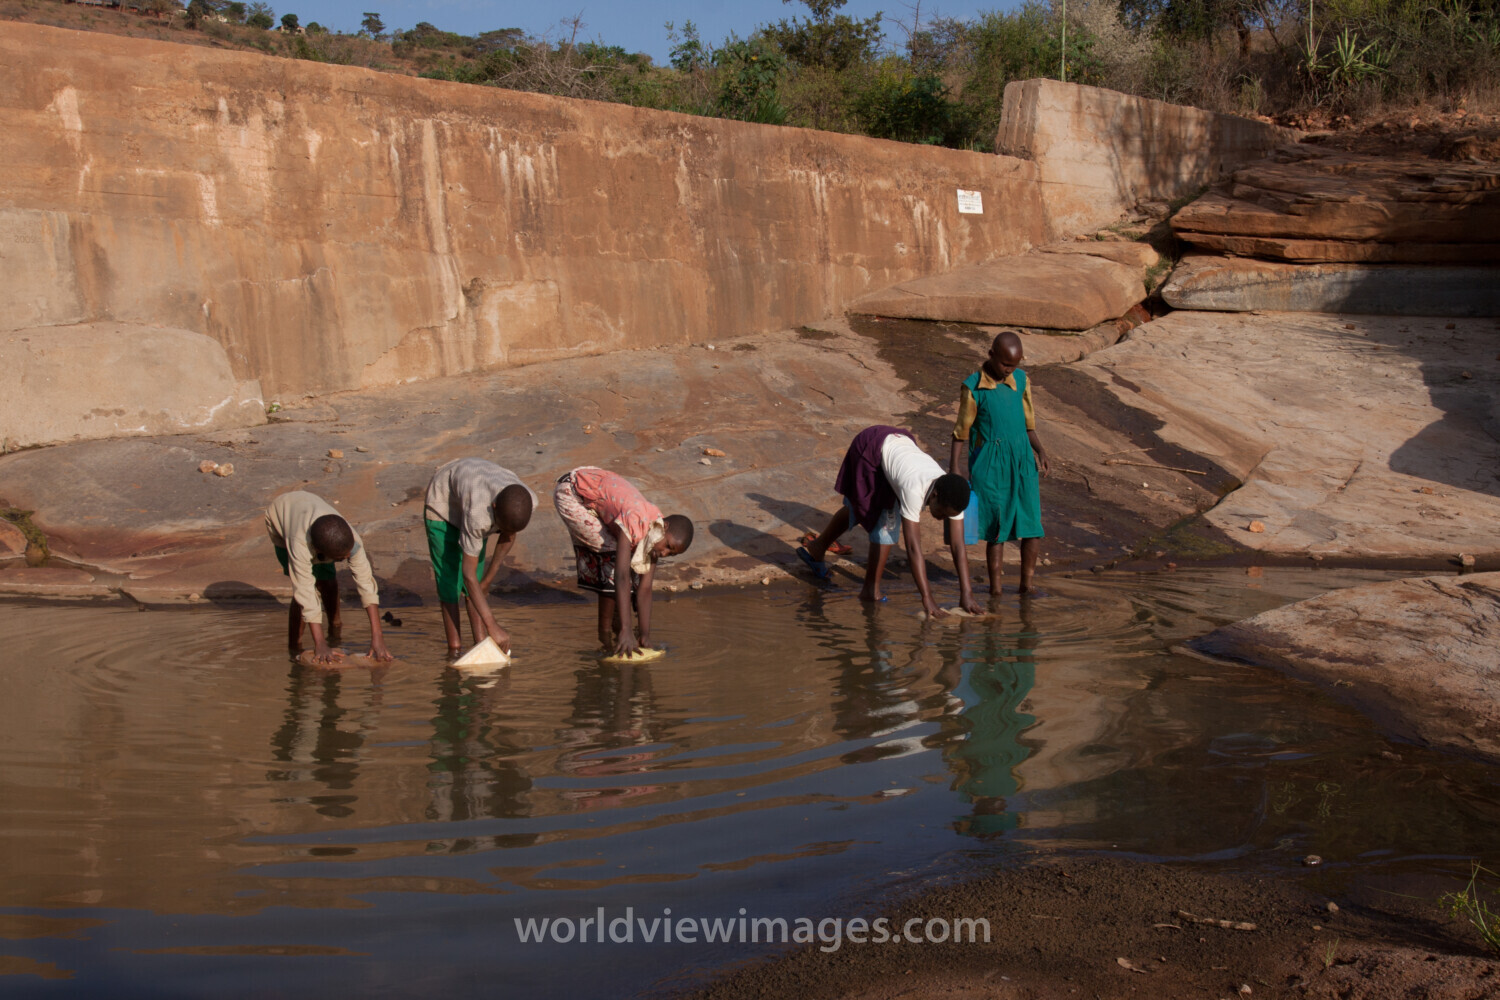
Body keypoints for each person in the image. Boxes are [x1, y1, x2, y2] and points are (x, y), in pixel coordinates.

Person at [797, 425, 977, 618]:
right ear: (933, 496)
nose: (942, 519)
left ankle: (818, 547)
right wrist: (927, 598)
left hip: (896, 448)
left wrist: (967, 593)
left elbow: (958, 545)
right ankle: (870, 591)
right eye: (941, 513)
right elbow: (913, 548)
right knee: (885, 522)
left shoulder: (955, 495)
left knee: (860, 509)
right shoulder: (914, 488)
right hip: (870, 448)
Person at [552, 467, 694, 657]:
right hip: (572, 493)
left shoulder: (655, 537)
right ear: (664, 526)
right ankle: (606, 637)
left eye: (671, 554)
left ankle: (619, 620)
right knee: (613, 557)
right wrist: (627, 630)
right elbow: (620, 575)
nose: (665, 553)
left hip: (596, 493)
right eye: (668, 546)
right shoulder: (637, 518)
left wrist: (645, 634)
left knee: (630, 562)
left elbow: (645, 589)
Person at [949, 330, 1050, 594]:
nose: (1008, 370)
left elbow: (1029, 425)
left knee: (1032, 526)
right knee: (997, 529)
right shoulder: (974, 388)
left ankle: (1027, 585)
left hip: (1022, 461)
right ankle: (995, 590)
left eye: (1014, 365)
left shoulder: (1021, 380)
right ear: (991, 354)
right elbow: (961, 432)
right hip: (991, 465)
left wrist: (1040, 451)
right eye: (1005, 364)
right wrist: (955, 469)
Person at [424, 458, 536, 655]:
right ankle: (455, 650)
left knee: (476, 585)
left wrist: (488, 580)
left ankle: (481, 643)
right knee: (450, 583)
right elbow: (467, 574)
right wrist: (492, 624)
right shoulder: (479, 514)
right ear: (493, 508)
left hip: (472, 490)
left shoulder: (527, 501)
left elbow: (508, 535)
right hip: (443, 505)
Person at [265, 490, 391, 665]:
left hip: (313, 516)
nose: (347, 558)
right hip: (281, 519)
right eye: (340, 559)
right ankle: (295, 647)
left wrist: (378, 638)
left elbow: (366, 583)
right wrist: (320, 644)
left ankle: (335, 627)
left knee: (327, 581)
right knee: (306, 591)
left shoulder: (350, 539)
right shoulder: (299, 544)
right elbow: (304, 590)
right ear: (319, 551)